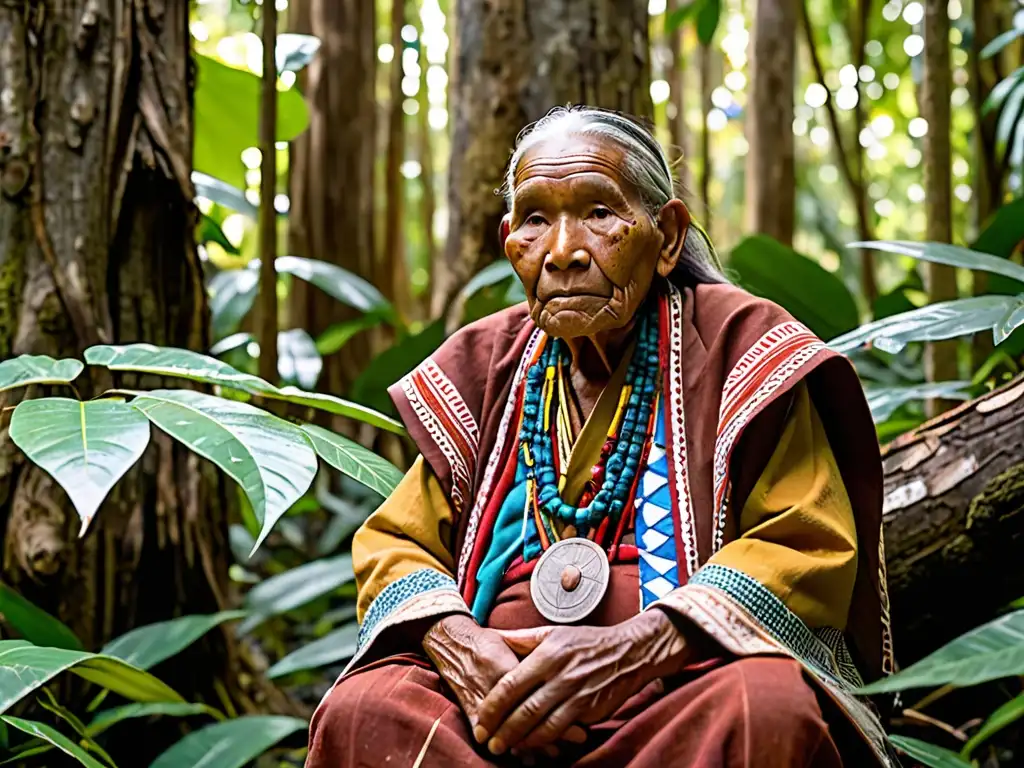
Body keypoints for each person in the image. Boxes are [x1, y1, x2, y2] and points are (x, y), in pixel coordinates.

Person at [306, 105, 896, 767]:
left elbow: (806, 538)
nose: (562, 251)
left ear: (667, 235)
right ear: (509, 242)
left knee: (765, 707)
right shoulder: (486, 364)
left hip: (673, 697)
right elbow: (397, 542)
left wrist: (635, 650)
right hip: (493, 719)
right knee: (364, 711)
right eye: (535, 219)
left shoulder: (740, 347)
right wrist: (460, 648)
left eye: (598, 213)